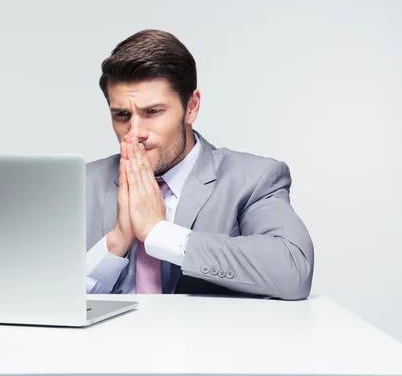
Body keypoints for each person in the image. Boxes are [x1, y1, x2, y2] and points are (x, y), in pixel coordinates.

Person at [85, 29, 314, 300]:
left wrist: (158, 233)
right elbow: (35, 296)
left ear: (191, 107)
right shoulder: (82, 183)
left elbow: (293, 272)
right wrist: (116, 243)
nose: (135, 132)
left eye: (153, 112)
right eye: (122, 115)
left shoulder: (254, 179)